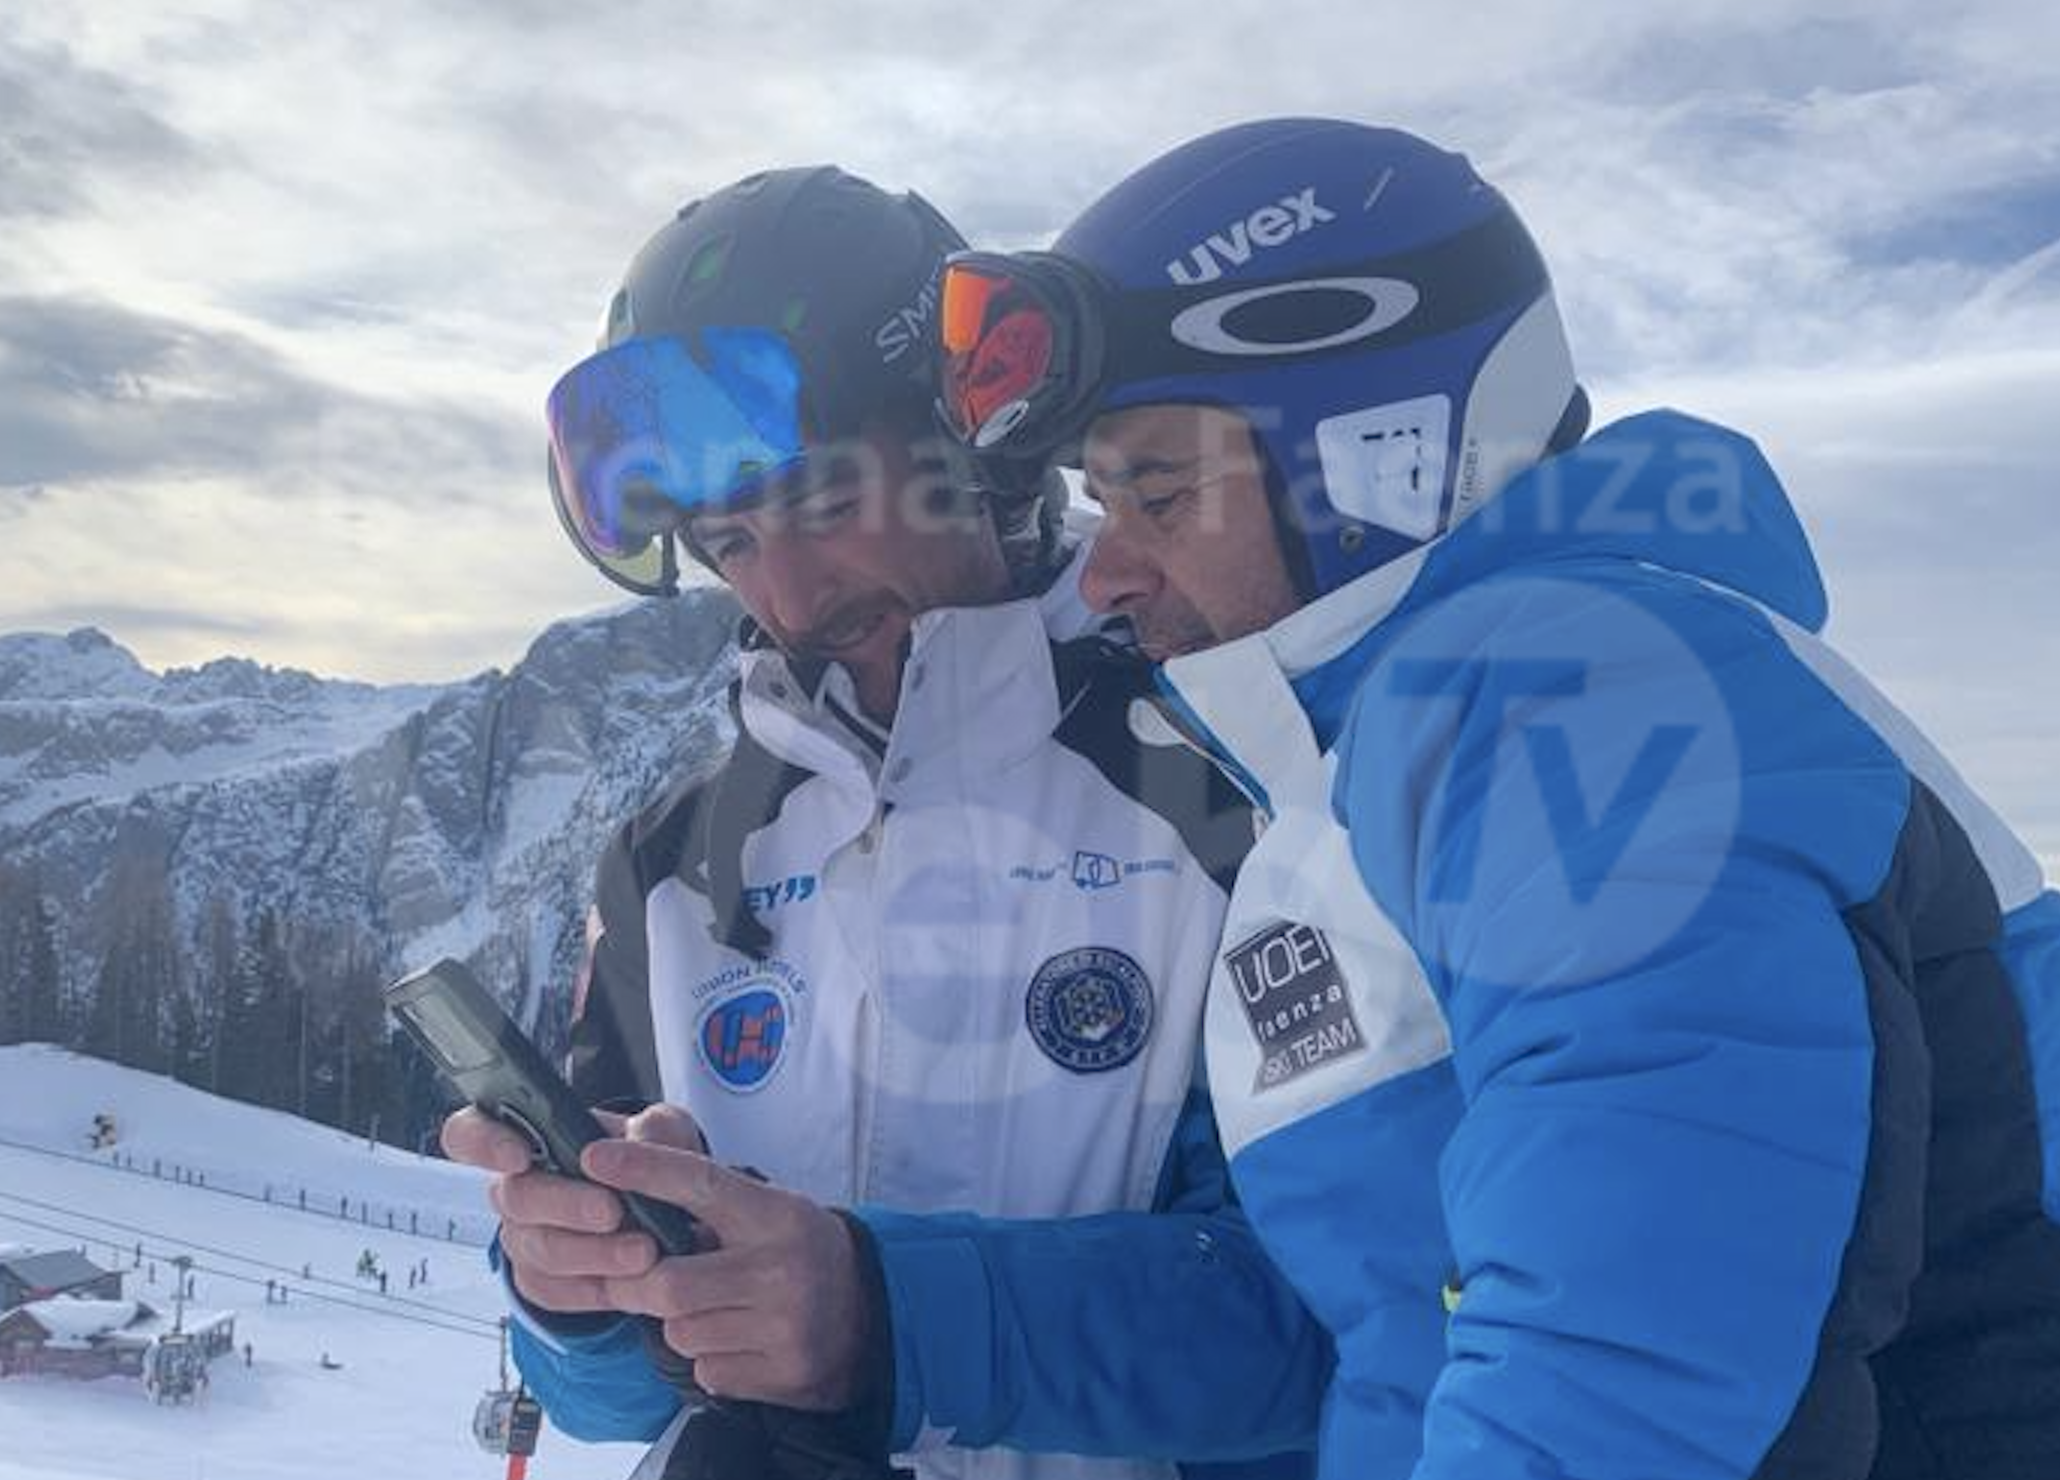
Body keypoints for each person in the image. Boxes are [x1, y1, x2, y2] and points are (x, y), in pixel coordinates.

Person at [933, 117, 2060, 1480]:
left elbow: (1637, 1356)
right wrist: (881, 1315)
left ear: (1382, 456)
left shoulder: (1569, 688)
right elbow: (1362, 1327)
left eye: (1156, 494)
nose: (1105, 572)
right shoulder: (1365, 789)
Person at [442, 165, 1327, 1480]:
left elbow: (1321, 1316)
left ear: (984, 458)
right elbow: (617, 1400)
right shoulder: (677, 869)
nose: (791, 597)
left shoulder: (1232, 776)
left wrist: (881, 1319)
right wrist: (574, 1289)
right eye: (731, 544)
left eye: (825, 507)